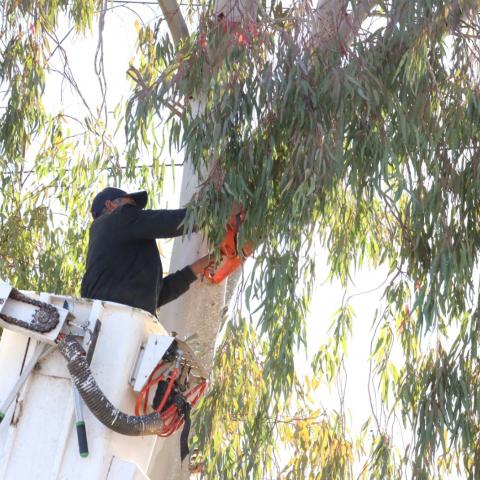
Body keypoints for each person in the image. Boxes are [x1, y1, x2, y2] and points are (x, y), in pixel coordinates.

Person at [81, 187, 212, 316]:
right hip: (119, 320)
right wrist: (211, 214)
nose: (138, 211)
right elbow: (165, 222)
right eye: (131, 205)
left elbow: (155, 296)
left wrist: (200, 265)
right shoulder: (116, 219)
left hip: (115, 322)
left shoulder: (114, 250)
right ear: (110, 205)